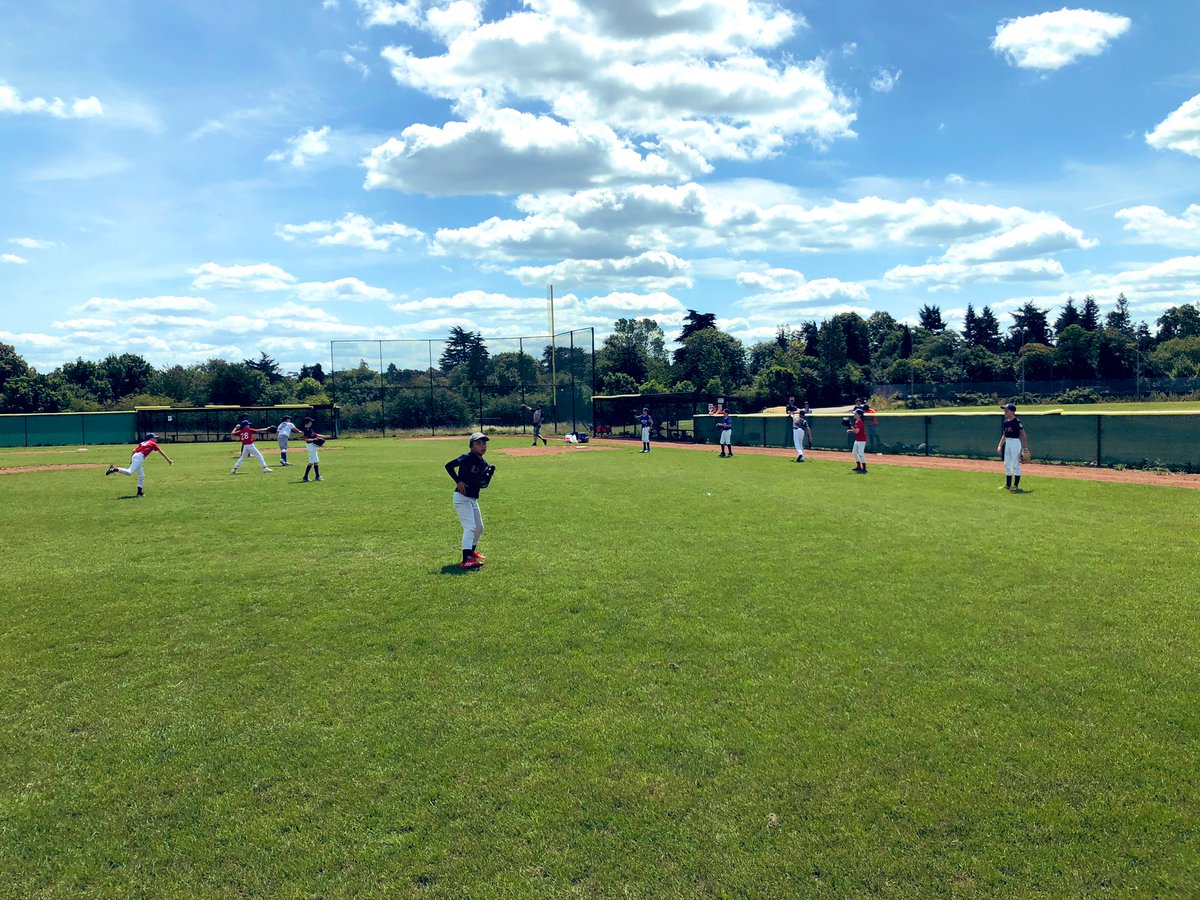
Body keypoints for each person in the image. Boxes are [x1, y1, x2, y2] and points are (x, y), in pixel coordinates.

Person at [445, 432, 493, 569]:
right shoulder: (466, 457)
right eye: (479, 443)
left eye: (484, 443)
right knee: (470, 527)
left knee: (479, 528)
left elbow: (481, 483)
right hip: (461, 498)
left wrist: (485, 479)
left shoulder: (483, 463)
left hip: (472, 498)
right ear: (471, 446)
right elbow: (448, 466)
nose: (483, 446)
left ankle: (471, 553)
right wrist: (458, 481)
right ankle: (466, 560)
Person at [105, 432, 173, 497]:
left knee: (141, 475)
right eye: (154, 438)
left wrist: (131, 460)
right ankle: (114, 469)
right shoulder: (153, 443)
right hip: (139, 457)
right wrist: (169, 460)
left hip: (136, 456)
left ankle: (139, 492)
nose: (156, 439)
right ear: (150, 438)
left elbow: (133, 451)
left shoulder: (143, 443)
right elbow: (161, 453)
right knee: (129, 472)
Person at [997, 403, 1030, 491]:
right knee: (1007, 464)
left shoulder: (1017, 422)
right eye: (1004, 410)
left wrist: (1025, 448)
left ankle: (1015, 485)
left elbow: (1023, 435)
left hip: (1015, 442)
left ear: (1012, 411)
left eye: (1006, 410)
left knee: (1015, 465)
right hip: (1008, 443)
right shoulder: (1005, 422)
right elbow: (1004, 435)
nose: (1005, 411)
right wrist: (1000, 445)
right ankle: (1008, 485)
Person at [301, 416, 328, 482]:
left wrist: (324, 436)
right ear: (308, 422)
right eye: (310, 422)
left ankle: (317, 476)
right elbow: (305, 439)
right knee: (311, 461)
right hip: (310, 445)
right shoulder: (306, 430)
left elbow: (315, 435)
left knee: (316, 461)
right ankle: (305, 477)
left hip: (313, 445)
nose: (311, 423)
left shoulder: (310, 429)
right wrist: (313, 439)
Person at [847, 408, 868, 473]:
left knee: (861, 454)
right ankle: (858, 466)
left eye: (855, 414)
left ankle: (864, 468)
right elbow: (856, 431)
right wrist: (851, 430)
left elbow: (856, 432)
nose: (854, 414)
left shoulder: (860, 422)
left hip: (861, 440)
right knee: (854, 453)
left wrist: (850, 427)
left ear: (859, 415)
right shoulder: (857, 422)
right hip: (858, 440)